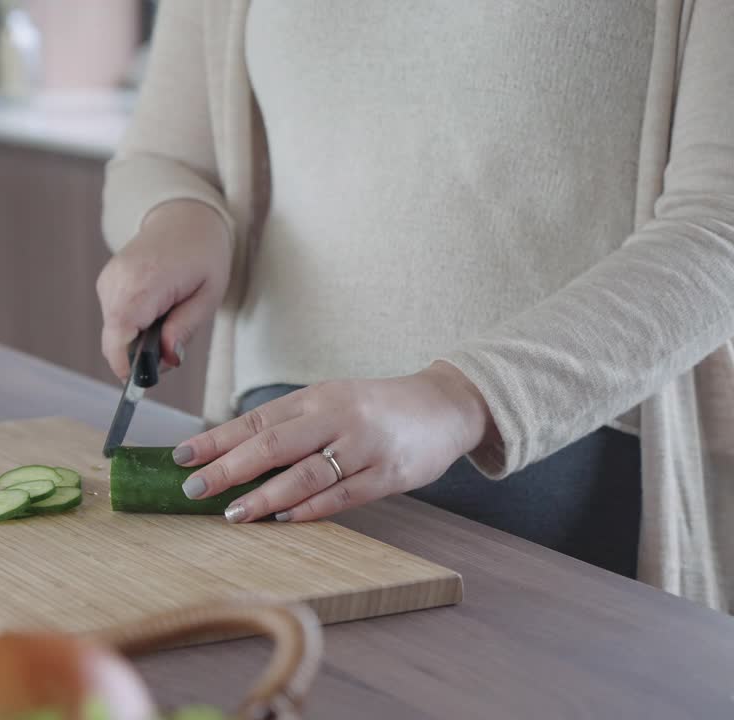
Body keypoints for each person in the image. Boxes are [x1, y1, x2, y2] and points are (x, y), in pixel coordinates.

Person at [98, 0, 734, 612]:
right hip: (272, 496)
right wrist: (177, 219)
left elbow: (719, 227)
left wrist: (458, 398)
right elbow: (163, 156)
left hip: (553, 524)